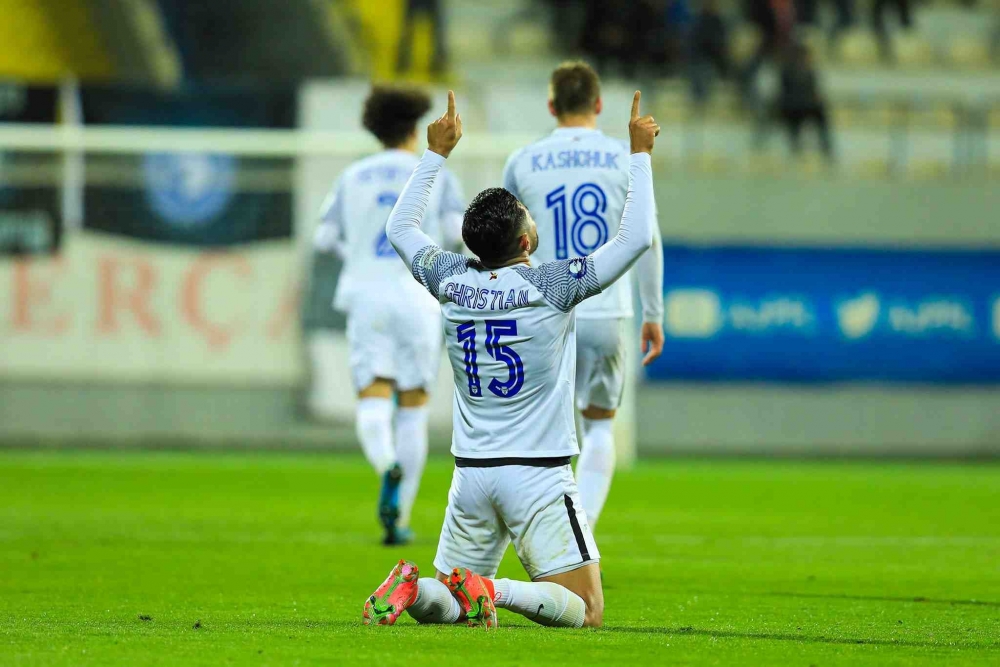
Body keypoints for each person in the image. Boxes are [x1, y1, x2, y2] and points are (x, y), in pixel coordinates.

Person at [362, 90, 659, 629]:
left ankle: (412, 589)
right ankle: (494, 590)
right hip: (538, 473)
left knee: (450, 604)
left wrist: (435, 153)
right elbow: (636, 237)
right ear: (525, 240)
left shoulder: (449, 280)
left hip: (472, 474)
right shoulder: (553, 285)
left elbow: (400, 229)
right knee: (589, 611)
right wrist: (639, 154)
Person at [501, 62, 664, 531]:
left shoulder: (523, 161)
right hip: (606, 310)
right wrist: (653, 313)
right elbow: (647, 238)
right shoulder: (625, 157)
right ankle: (582, 528)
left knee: (536, 428)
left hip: (543, 311)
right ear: (598, 104)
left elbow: (502, 240)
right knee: (598, 425)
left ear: (551, 106)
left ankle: (531, 524)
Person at [313, 85, 465, 546]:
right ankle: (399, 518)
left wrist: (358, 255)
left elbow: (323, 238)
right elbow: (457, 230)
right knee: (413, 407)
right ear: (415, 128)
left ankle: (386, 464)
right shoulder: (434, 172)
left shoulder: (353, 176)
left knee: (373, 396)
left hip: (367, 296)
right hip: (419, 297)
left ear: (374, 127)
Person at [776, 42, 833, 160]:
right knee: (793, 116)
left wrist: (816, 100)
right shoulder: (786, 72)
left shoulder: (810, 72)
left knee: (821, 114)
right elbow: (784, 93)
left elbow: (814, 91)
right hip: (792, 107)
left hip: (807, 106)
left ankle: (826, 148)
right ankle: (795, 146)